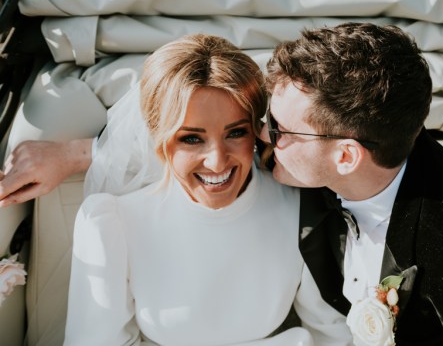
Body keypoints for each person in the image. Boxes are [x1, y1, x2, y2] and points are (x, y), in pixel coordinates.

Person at [1, 23, 443, 344]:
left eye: (265, 129)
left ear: (346, 154)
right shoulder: (322, 158)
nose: (261, 141)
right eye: (261, 121)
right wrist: (81, 152)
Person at [63, 34, 352, 345]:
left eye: (236, 133)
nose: (216, 162)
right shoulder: (111, 223)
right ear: (159, 139)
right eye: (191, 138)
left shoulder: (302, 207)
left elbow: (332, 334)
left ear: (257, 131)